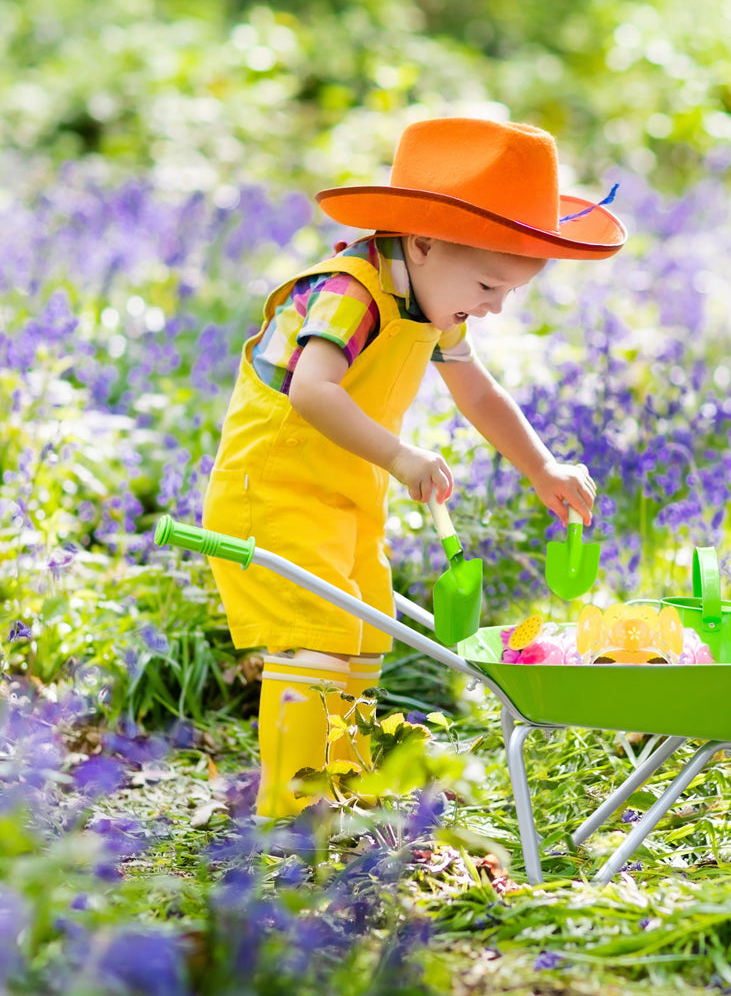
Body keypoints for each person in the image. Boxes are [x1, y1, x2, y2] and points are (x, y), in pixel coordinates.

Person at [202, 116, 627, 818]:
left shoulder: (430, 296)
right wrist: (400, 455)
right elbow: (312, 390)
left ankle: (336, 793)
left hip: (344, 498)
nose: (492, 308)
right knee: (316, 645)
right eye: (489, 285)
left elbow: (478, 392)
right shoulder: (351, 292)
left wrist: (542, 466)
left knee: (363, 641)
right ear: (424, 243)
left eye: (507, 295)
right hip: (271, 494)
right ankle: (289, 813)